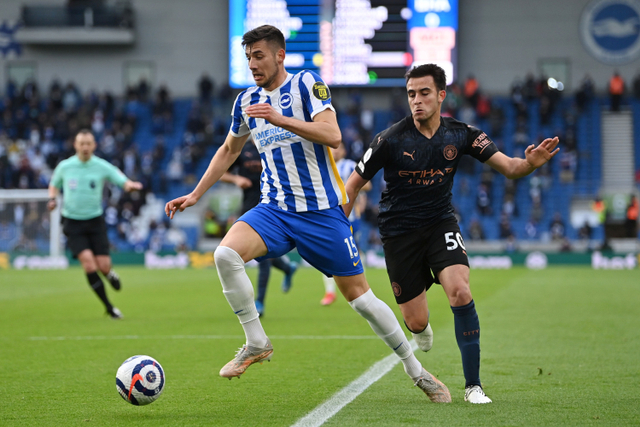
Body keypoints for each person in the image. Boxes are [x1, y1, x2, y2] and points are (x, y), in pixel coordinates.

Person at [165, 25, 451, 403]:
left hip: (321, 214)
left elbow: (333, 136)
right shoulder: (246, 100)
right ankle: (256, 342)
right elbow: (229, 150)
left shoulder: (306, 85)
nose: (253, 64)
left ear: (279, 55)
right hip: (274, 209)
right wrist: (196, 194)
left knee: (362, 301)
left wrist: (278, 119)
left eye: (259, 56)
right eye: (248, 57)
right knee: (225, 254)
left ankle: (417, 372)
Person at [343, 63, 560, 404]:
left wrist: (531, 162)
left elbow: (511, 168)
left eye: (425, 93)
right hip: (399, 233)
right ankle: (421, 329)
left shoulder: (463, 134)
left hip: (440, 223)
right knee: (415, 323)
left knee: (460, 291)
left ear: (442, 95)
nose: (417, 100)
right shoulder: (389, 139)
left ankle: (473, 386)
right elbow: (352, 186)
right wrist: (338, 231)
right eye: (411, 94)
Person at [47, 130, 143, 319]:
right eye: (81, 143)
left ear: (94, 146)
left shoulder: (100, 165)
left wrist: (128, 185)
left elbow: (118, 177)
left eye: (88, 143)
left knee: (103, 266)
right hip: (72, 222)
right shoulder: (65, 167)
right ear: (75, 145)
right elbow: (54, 184)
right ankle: (109, 307)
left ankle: (109, 274)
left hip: (95, 221)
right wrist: (52, 198)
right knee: (89, 265)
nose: (84, 147)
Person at [220, 139, 298, 316]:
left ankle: (260, 303)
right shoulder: (242, 148)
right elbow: (221, 173)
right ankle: (287, 268)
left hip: (271, 207)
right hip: (249, 207)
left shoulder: (275, 144)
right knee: (260, 256)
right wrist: (236, 179)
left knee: (264, 257)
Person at [318, 141, 370, 306]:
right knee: (327, 253)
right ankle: (330, 292)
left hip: (351, 217)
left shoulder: (350, 165)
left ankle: (363, 288)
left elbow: (367, 185)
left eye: (338, 148)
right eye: (332, 148)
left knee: (356, 251)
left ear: (344, 150)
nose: (335, 151)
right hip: (330, 216)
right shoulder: (322, 165)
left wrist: (353, 191)